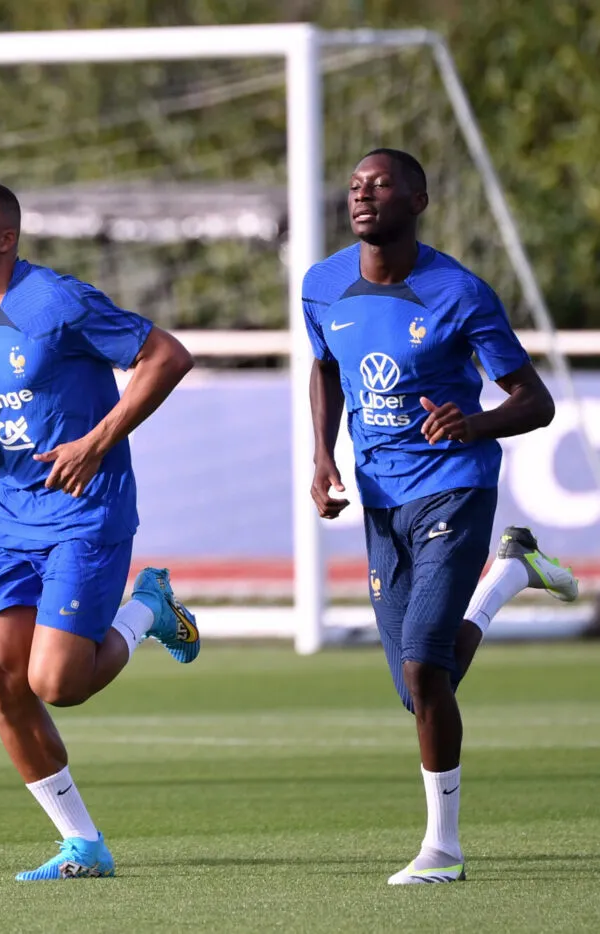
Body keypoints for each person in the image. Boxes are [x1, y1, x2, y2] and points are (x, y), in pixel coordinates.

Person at [0, 180, 199, 881]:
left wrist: (97, 440)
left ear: (4, 239)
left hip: (88, 511)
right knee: (3, 678)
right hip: (8, 520)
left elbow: (167, 356)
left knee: (57, 683)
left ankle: (149, 607)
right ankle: (82, 845)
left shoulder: (57, 302)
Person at [304, 149, 579, 885]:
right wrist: (322, 458)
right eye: (356, 185)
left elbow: (534, 400)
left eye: (381, 183)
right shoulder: (322, 285)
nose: (363, 194)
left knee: (426, 667)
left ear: (419, 199)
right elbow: (326, 365)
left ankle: (443, 850)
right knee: (416, 689)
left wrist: (473, 424)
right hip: (379, 497)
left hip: (455, 487)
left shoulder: (458, 293)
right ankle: (510, 576)